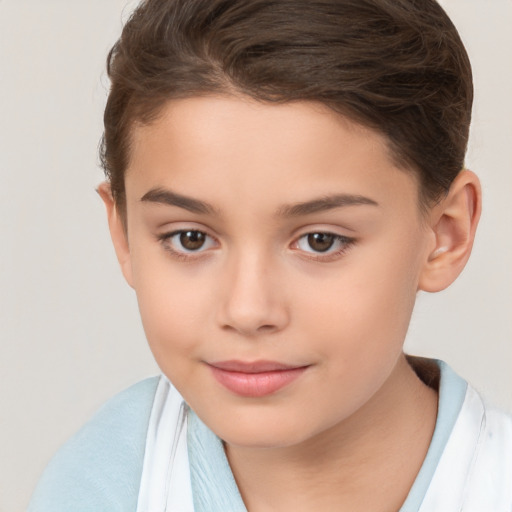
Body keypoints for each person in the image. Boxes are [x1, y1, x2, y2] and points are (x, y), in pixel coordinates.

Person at [28, 0, 512, 510]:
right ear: (124, 234)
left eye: (319, 241)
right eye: (190, 238)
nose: (248, 310)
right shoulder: (96, 486)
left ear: (445, 234)